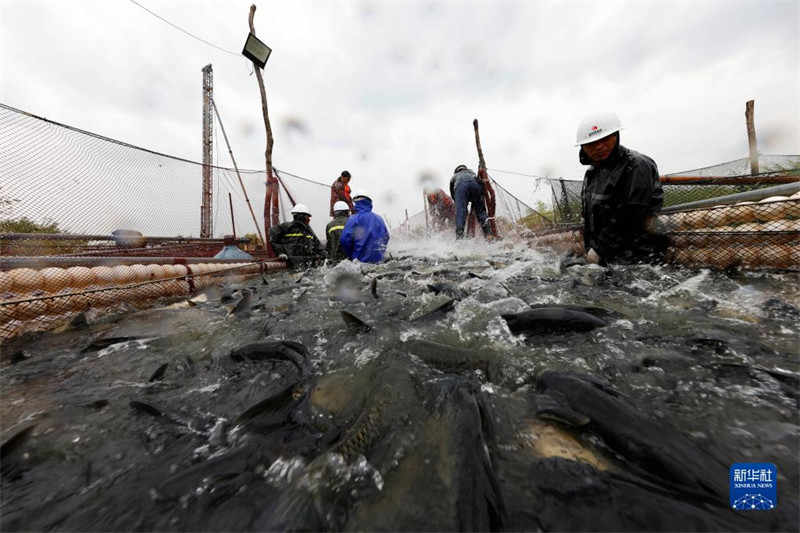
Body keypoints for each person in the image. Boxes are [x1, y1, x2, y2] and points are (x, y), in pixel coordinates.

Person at [576, 110, 665, 265]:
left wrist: (598, 250)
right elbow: (591, 217)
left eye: (604, 139)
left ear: (616, 136)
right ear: (583, 147)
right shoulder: (592, 173)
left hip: (638, 258)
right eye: (591, 143)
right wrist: (591, 249)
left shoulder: (636, 165)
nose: (599, 146)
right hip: (608, 257)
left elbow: (632, 216)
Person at [340, 189, 390, 263]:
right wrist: (379, 254)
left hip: (359, 263)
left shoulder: (354, 219)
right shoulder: (379, 219)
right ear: (369, 202)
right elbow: (386, 238)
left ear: (356, 203)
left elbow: (344, 240)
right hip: (378, 262)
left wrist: (352, 255)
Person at [449, 165, 491, 239]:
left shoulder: (454, 177)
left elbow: (454, 196)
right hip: (475, 185)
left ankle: (459, 237)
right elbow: (480, 185)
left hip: (461, 186)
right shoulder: (471, 172)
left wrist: (461, 203)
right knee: (481, 211)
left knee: (460, 212)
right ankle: (488, 234)